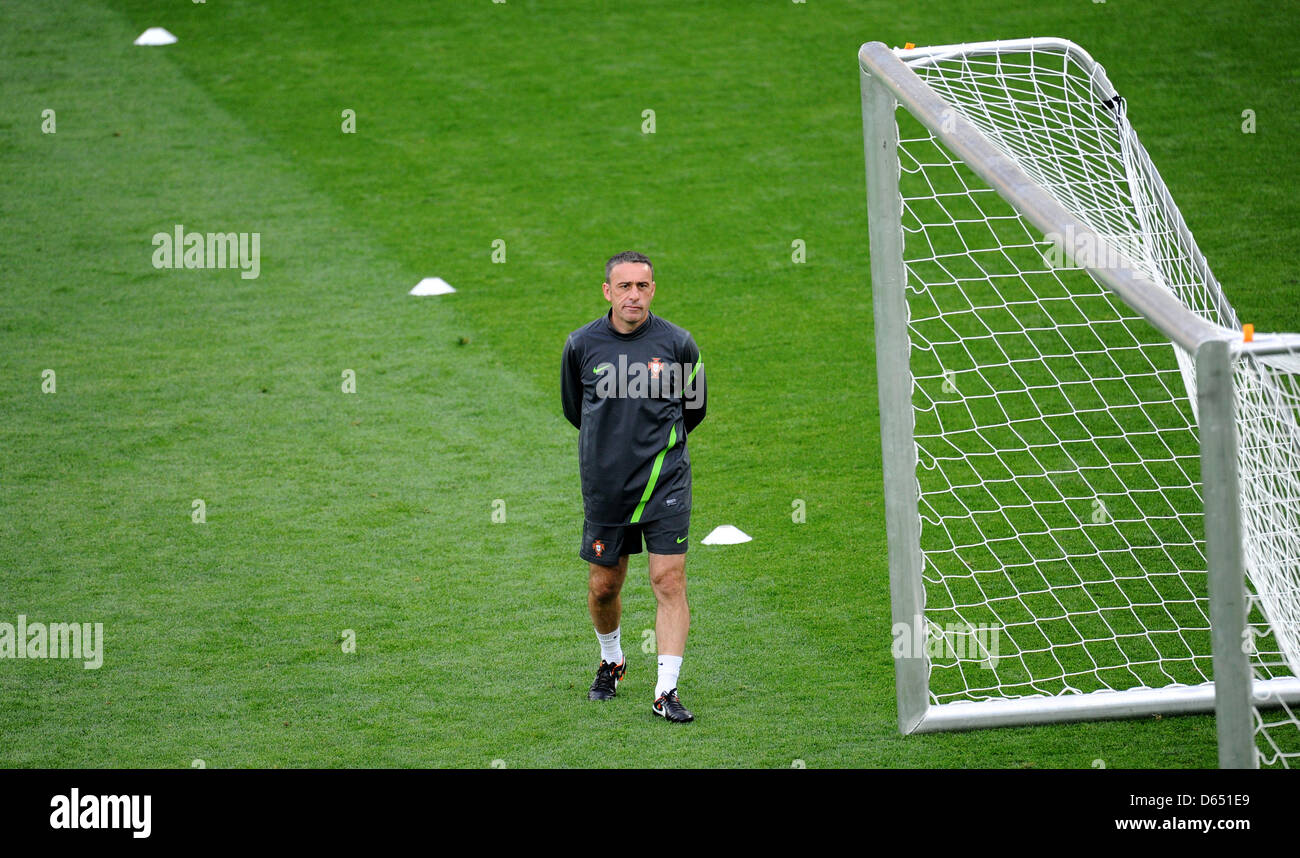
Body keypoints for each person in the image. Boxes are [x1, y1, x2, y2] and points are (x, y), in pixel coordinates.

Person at [561, 251, 707, 723]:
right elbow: (574, 410)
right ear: (607, 291)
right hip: (607, 489)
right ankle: (612, 659)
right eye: (624, 286)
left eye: (642, 286)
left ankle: (666, 690)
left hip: (666, 483)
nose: (633, 295)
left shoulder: (678, 344)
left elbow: (693, 412)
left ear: (653, 290)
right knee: (605, 586)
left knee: (669, 580)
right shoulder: (581, 345)